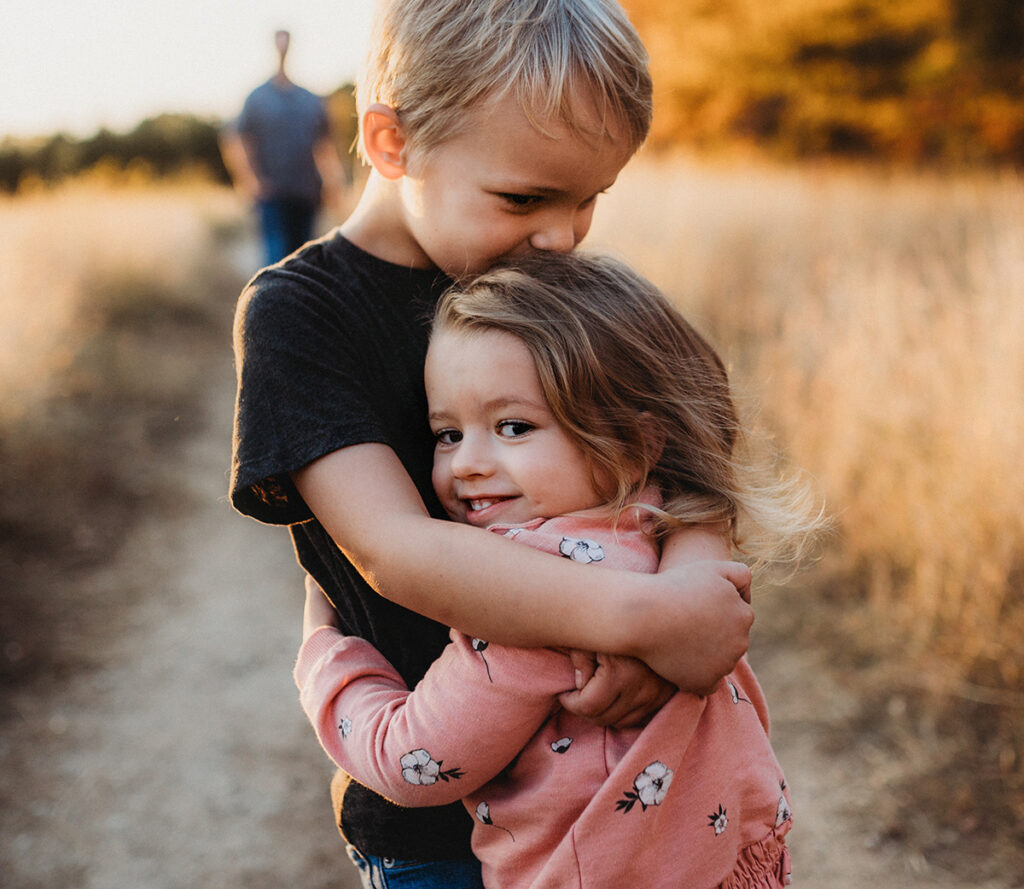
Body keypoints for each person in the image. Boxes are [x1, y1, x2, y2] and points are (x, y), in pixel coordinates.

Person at [231, 2, 754, 886]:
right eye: (525, 198)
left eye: (590, 200)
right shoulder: (302, 315)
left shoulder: (549, 288)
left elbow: (692, 453)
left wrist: (692, 583)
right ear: (392, 143)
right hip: (441, 825)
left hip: (635, 795)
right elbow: (397, 550)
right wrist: (647, 622)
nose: (561, 236)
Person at [295, 252, 824, 889]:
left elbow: (414, 761)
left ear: (636, 442)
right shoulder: (666, 527)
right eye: (447, 434)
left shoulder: (525, 594)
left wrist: (325, 658)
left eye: (513, 427)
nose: (467, 464)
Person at [220, 29, 345, 265]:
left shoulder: (309, 99)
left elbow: (325, 145)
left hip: (306, 192)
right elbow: (236, 139)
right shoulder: (257, 98)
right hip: (272, 195)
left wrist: (333, 183)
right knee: (276, 260)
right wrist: (249, 180)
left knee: (302, 260)